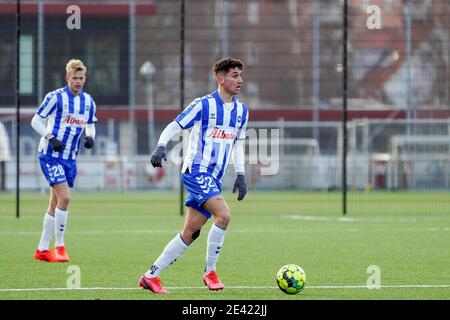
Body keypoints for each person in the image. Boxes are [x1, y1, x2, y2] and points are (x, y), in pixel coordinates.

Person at [139, 57, 249, 294]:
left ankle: (150, 276)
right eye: (234, 75)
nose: (240, 80)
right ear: (220, 79)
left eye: (240, 75)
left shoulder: (241, 110)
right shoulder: (203, 105)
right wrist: (161, 146)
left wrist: (240, 173)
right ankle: (210, 272)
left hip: (215, 177)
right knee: (224, 215)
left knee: (190, 232)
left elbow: (238, 143)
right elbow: (175, 125)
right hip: (197, 171)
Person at [31, 59, 97, 262]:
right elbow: (36, 120)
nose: (78, 81)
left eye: (81, 78)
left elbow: (90, 124)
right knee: (65, 198)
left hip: (70, 159)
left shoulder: (88, 102)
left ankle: (42, 249)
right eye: (74, 78)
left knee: (55, 203)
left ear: (85, 78)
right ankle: (59, 246)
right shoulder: (55, 97)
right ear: (67, 78)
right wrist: (50, 138)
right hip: (50, 155)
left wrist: (90, 137)